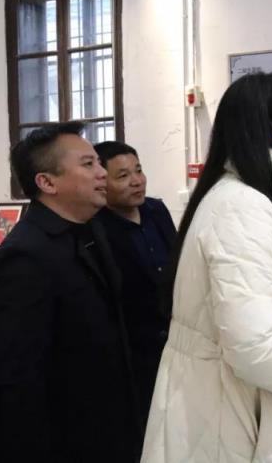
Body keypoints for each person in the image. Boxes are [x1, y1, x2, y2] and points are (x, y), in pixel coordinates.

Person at [141, 73, 272, 463]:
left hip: (240, 403)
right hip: (226, 417)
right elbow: (254, 349)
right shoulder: (243, 206)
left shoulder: (255, 201)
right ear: (270, 126)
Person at [0, 122, 140, 463]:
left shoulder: (92, 229)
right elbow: (12, 386)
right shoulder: (25, 258)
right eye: (88, 164)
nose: (102, 173)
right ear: (47, 182)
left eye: (98, 163)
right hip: (65, 443)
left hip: (109, 431)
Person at [94, 141, 177, 431]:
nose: (136, 181)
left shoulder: (157, 210)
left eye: (138, 171)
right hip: (132, 349)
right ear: (102, 182)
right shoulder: (96, 228)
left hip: (173, 339)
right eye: (123, 175)